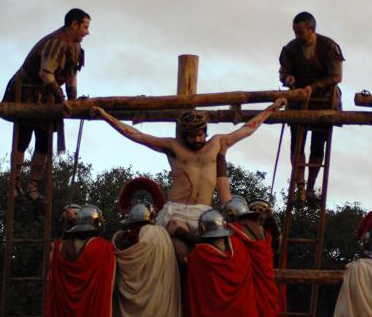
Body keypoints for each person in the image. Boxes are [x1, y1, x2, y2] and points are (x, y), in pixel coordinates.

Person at [90, 99, 285, 262]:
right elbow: (136, 135)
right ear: (183, 135)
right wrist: (105, 116)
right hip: (177, 211)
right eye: (192, 135)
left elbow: (248, 129)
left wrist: (271, 109)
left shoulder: (217, 143)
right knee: (179, 252)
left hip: (204, 213)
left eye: (200, 134)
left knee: (220, 252)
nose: (198, 139)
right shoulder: (172, 146)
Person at [2, 8, 90, 204]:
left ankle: (32, 186)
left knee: (43, 142)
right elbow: (45, 73)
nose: (87, 32)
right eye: (85, 26)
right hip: (27, 93)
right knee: (22, 139)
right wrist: (62, 99)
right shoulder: (57, 42)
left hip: (47, 97)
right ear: (74, 24)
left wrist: (72, 99)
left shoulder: (76, 47)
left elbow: (71, 74)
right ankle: (14, 183)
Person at [279, 11, 345, 202]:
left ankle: (310, 188)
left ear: (311, 29)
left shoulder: (329, 47)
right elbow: (284, 71)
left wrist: (313, 87)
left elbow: (336, 76)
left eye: (300, 32)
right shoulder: (290, 49)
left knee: (318, 145)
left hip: (324, 102)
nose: (297, 36)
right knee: (296, 145)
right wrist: (287, 78)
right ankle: (299, 188)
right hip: (298, 102)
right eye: (295, 32)